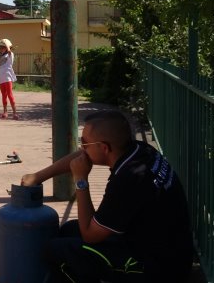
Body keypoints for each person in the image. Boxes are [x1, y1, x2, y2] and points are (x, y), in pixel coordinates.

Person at [21, 110, 193, 282]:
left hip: (157, 269)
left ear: (104, 148)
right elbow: (83, 157)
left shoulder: (130, 179)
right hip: (158, 246)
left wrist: (81, 181)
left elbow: (90, 235)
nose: (82, 148)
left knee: (56, 251)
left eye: (85, 144)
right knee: (69, 230)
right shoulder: (140, 150)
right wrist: (38, 176)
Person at [0, 39, 18, 120]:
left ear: (7, 47)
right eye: (0, 47)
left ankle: (15, 113)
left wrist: (7, 44)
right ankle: (5, 112)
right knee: (4, 96)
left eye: (3, 47)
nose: (1, 49)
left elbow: (9, 51)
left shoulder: (10, 54)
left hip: (8, 77)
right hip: (1, 78)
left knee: (10, 95)